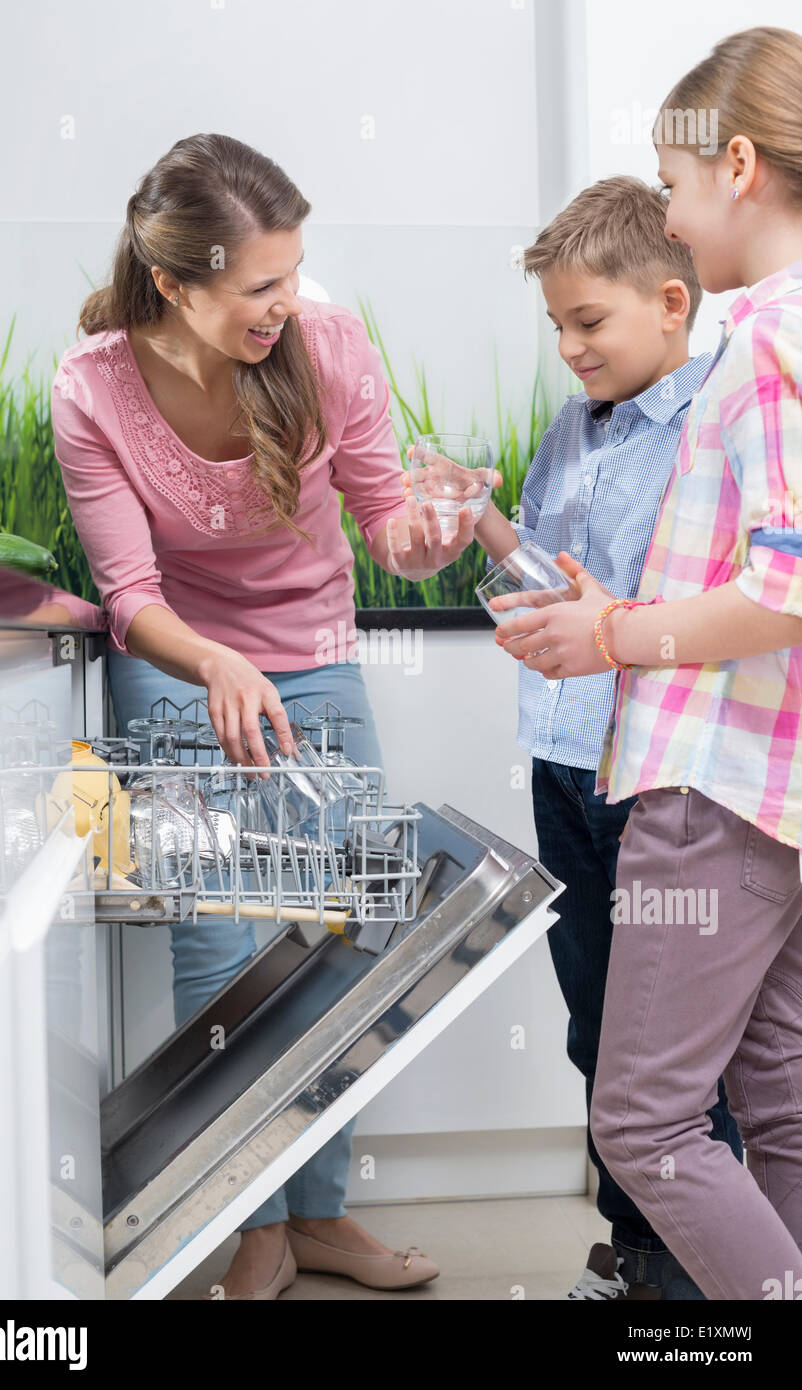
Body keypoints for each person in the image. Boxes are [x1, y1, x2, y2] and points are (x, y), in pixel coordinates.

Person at [50, 132, 470, 1300]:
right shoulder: (92, 387)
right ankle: (251, 1222)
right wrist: (216, 661)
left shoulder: (328, 347)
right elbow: (130, 597)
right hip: (183, 666)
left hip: (317, 657)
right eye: (257, 287)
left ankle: (319, 1213)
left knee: (350, 924)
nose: (287, 303)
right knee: (219, 941)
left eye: (292, 273)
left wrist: (424, 540)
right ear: (174, 285)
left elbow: (386, 520)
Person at [495, 26, 802, 1300]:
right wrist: (618, 609)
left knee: (643, 1122)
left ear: (736, 165)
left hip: (708, 786)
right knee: (775, 1099)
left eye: (671, 189)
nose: (669, 218)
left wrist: (614, 635)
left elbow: (787, 584)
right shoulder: (766, 335)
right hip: (762, 788)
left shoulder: (769, 342)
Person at [463, 176, 743, 1300]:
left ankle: (694, 1278)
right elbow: (550, 577)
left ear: (670, 302)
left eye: (589, 322)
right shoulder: (568, 430)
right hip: (562, 764)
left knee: (671, 1052)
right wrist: (475, 520)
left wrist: (605, 626)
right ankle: (635, 1255)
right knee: (593, 1026)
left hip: (663, 774)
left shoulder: (717, 423)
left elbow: (722, 606)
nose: (570, 349)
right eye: (557, 328)